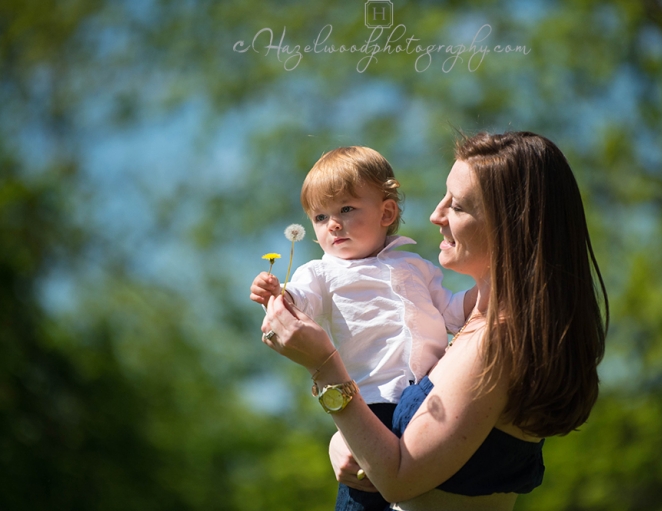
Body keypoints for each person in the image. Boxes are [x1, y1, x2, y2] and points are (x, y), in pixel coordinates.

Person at [259, 132, 608, 510]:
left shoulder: (498, 341)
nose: (435, 215)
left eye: (456, 206)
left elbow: (398, 479)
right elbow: (409, 440)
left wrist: (325, 366)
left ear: (509, 224)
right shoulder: (474, 326)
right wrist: (346, 439)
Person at [251, 146, 476, 511]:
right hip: (369, 406)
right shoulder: (321, 272)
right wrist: (276, 294)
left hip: (429, 399)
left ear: (386, 212)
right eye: (320, 217)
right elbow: (297, 304)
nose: (333, 224)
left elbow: (452, 313)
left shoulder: (416, 265)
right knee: (362, 498)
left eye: (346, 210)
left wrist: (489, 289)